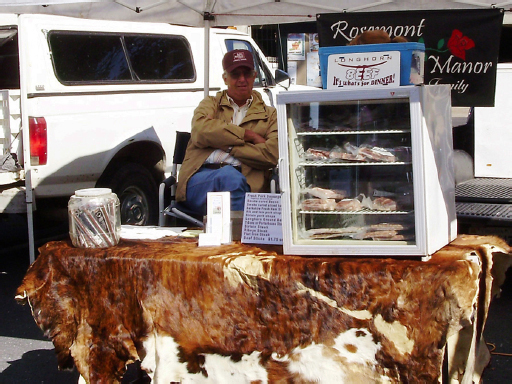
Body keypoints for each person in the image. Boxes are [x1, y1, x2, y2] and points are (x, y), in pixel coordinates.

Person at [176, 49, 278, 216]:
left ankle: (234, 236)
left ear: (254, 77)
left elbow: (271, 154)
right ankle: (240, 237)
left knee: (232, 178)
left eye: (247, 74)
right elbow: (200, 131)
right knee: (229, 177)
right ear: (225, 78)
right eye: (235, 74)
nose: (242, 79)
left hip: (248, 183)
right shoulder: (211, 103)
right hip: (200, 179)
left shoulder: (270, 115)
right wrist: (248, 136)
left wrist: (228, 146)